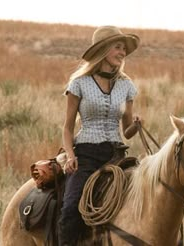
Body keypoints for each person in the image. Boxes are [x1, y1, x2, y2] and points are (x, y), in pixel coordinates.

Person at [58, 25, 141, 246]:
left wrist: (136, 126)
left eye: (124, 48)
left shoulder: (126, 85)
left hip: (117, 154)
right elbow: (67, 128)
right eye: (117, 47)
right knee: (70, 206)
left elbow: (127, 132)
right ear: (103, 50)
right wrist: (70, 155)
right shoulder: (79, 83)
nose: (123, 52)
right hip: (86, 154)